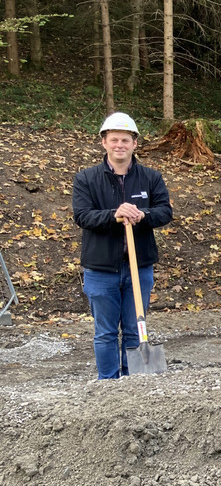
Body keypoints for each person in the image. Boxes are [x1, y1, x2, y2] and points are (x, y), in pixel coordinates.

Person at [72, 112, 173, 379]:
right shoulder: (86, 179)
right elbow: (82, 216)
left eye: (125, 140)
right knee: (105, 332)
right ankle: (108, 383)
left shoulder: (151, 178)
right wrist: (113, 215)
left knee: (134, 329)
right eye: (114, 139)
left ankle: (132, 382)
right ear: (104, 142)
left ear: (134, 144)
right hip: (101, 268)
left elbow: (165, 211)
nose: (120, 145)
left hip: (139, 267)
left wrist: (144, 215)